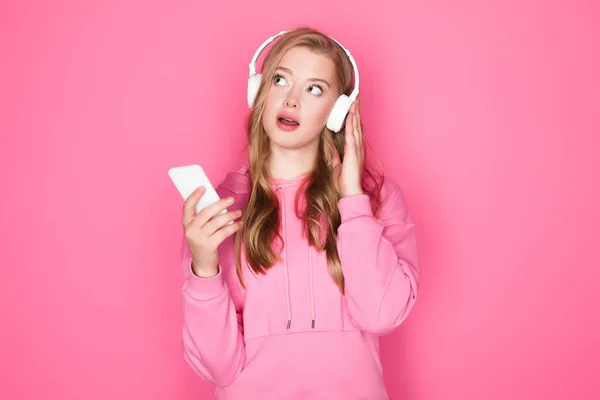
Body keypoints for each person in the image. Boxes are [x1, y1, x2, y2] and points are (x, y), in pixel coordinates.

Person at [178, 26, 420, 399]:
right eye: (279, 80)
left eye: (314, 88)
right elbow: (216, 367)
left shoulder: (375, 198)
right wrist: (204, 268)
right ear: (258, 90)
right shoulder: (218, 208)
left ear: (338, 111)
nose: (291, 100)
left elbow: (382, 315)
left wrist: (352, 200)